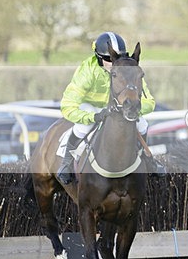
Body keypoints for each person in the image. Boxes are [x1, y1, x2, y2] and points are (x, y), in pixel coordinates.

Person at [56, 32, 166, 185]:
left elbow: (149, 102)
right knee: (83, 125)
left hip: (118, 106)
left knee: (142, 124)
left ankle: (147, 160)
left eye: (117, 57)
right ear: (99, 58)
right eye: (108, 59)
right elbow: (67, 106)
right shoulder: (88, 70)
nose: (113, 62)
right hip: (91, 107)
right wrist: (93, 117)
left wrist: (131, 108)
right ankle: (66, 164)